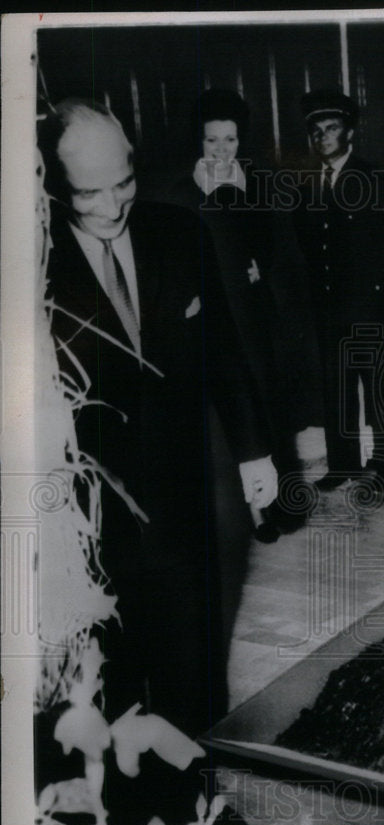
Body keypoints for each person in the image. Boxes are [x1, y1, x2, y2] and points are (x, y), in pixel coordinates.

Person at [39, 98, 279, 737]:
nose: (115, 207)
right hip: (86, 520)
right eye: (91, 194)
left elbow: (223, 348)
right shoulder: (32, 269)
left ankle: (198, 800)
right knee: (111, 675)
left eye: (125, 182)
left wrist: (255, 451)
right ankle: (125, 817)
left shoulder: (179, 232)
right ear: (54, 188)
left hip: (182, 492)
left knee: (196, 660)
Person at [168, 88, 313, 539]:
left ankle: (287, 501)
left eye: (229, 140)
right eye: (212, 140)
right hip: (214, 320)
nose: (221, 149)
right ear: (199, 141)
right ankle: (256, 512)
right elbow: (172, 259)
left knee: (273, 410)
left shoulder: (258, 182)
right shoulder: (181, 193)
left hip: (258, 315)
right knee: (238, 415)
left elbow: (279, 246)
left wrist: (262, 271)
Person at [292, 89, 384, 492]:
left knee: (379, 390)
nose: (323, 136)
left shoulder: (374, 177)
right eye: (316, 130)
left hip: (369, 307)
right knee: (337, 387)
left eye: (332, 128)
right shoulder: (308, 185)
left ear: (349, 133)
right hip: (328, 307)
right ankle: (343, 464)